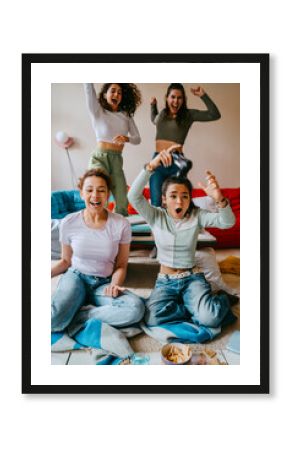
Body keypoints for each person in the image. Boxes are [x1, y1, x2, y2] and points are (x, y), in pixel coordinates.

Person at [128, 149, 236, 329]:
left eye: (184, 196)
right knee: (152, 319)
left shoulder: (197, 215)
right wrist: (151, 167)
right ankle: (191, 308)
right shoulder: (156, 216)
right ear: (164, 200)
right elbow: (133, 196)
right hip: (165, 280)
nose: (179, 202)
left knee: (210, 319)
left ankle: (222, 298)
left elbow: (227, 222)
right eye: (173, 196)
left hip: (192, 278)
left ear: (189, 199)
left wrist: (219, 199)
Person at [51, 168, 144, 332]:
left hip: (103, 283)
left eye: (101, 190)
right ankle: (74, 310)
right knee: (52, 320)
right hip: (76, 278)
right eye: (89, 190)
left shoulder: (121, 224)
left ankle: (83, 315)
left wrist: (115, 285)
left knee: (136, 309)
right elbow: (65, 261)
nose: (95, 195)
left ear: (108, 194)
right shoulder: (68, 222)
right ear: (81, 193)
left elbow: (121, 264)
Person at [150, 83, 221, 207]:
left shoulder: (188, 115)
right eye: (173, 97)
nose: (176, 101)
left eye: (179, 98)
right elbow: (154, 121)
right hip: (158, 160)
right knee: (156, 203)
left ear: (183, 100)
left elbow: (214, 115)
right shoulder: (162, 114)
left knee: (176, 203)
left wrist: (203, 95)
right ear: (167, 98)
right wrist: (153, 106)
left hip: (176, 161)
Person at [84, 83, 142, 216]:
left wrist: (126, 139)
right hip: (99, 158)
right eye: (113, 91)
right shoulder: (97, 111)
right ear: (105, 95)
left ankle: (119, 226)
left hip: (116, 159)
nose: (116, 94)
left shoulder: (126, 115)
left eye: (120, 92)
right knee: (99, 189)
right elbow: (89, 91)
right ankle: (96, 220)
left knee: (122, 198)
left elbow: (137, 139)